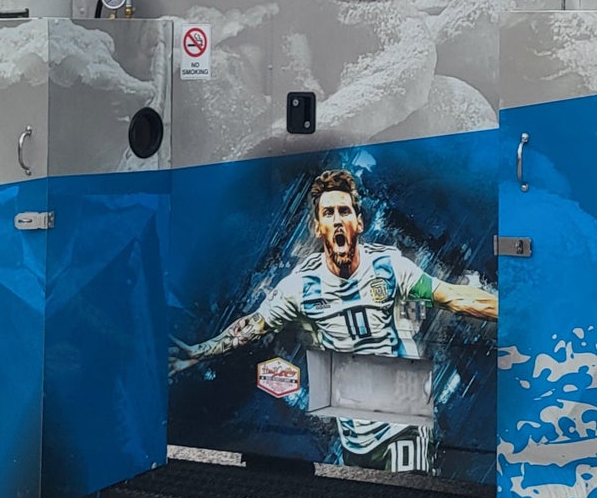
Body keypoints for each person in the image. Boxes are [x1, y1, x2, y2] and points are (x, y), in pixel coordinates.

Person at [170, 168, 496, 471]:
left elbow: (454, 296)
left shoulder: (389, 268)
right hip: (356, 439)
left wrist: (510, 310)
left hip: (404, 423)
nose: (338, 220)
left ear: (359, 222)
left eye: (344, 211)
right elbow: (252, 325)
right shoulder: (301, 287)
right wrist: (202, 350)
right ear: (318, 226)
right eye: (329, 213)